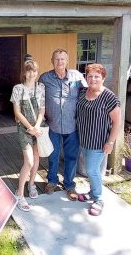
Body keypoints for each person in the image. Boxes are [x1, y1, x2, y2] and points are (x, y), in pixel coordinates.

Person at [39, 49, 87, 201]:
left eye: (63, 59)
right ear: (52, 60)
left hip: (72, 125)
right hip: (52, 125)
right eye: (57, 59)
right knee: (53, 155)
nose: (60, 62)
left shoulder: (77, 77)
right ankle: (52, 181)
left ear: (67, 60)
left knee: (71, 157)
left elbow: (89, 92)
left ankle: (69, 185)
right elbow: (38, 98)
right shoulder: (45, 78)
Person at [76, 63, 121, 216]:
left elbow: (117, 122)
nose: (93, 79)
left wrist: (110, 142)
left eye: (97, 76)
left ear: (103, 78)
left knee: (92, 170)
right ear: (86, 78)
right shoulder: (82, 92)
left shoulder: (109, 97)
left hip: (98, 142)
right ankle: (92, 193)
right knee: (90, 170)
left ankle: (99, 199)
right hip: (83, 140)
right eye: (90, 76)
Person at [10, 59, 46, 211]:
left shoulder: (41, 87)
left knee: (36, 159)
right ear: (24, 73)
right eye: (29, 70)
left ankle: (31, 184)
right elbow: (17, 112)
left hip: (38, 127)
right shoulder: (18, 88)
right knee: (29, 161)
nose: (32, 74)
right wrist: (30, 127)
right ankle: (19, 193)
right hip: (24, 128)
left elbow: (42, 109)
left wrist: (37, 126)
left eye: (35, 71)